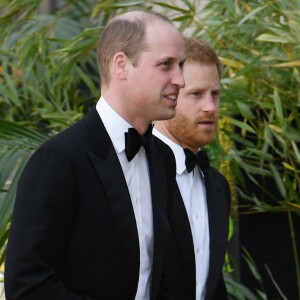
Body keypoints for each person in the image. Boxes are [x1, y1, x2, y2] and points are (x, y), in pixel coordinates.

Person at [4, 10, 185, 300]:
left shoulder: (163, 157)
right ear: (121, 65)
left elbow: (160, 273)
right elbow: (27, 285)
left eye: (181, 65)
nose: (180, 80)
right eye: (166, 65)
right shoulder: (58, 160)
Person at [154, 37, 231, 300]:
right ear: (169, 94)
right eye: (196, 94)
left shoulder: (217, 186)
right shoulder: (133, 171)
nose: (210, 107)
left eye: (215, 94)